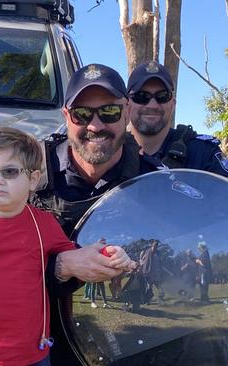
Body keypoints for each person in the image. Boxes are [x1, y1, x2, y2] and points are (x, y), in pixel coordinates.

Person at [0, 127, 135, 366]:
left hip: (33, 356)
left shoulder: (44, 223)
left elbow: (74, 255)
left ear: (33, 180)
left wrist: (108, 254)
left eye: (10, 171)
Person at [30, 63, 160, 364]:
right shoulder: (29, 175)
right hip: (35, 344)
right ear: (66, 117)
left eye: (109, 113)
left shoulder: (154, 183)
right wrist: (60, 265)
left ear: (127, 111)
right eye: (82, 114)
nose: (95, 125)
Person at [126, 61, 228, 182]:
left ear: (173, 104)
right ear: (127, 103)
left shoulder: (203, 154)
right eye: (142, 96)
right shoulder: (114, 153)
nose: (153, 105)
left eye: (162, 96)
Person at [139, 240, 164, 305]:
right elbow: (141, 262)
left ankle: (160, 300)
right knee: (149, 288)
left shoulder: (158, 254)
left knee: (160, 289)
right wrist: (141, 270)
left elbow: (160, 264)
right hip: (148, 274)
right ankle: (148, 301)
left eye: (157, 245)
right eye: (155, 245)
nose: (156, 246)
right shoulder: (145, 252)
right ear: (152, 245)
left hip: (156, 275)